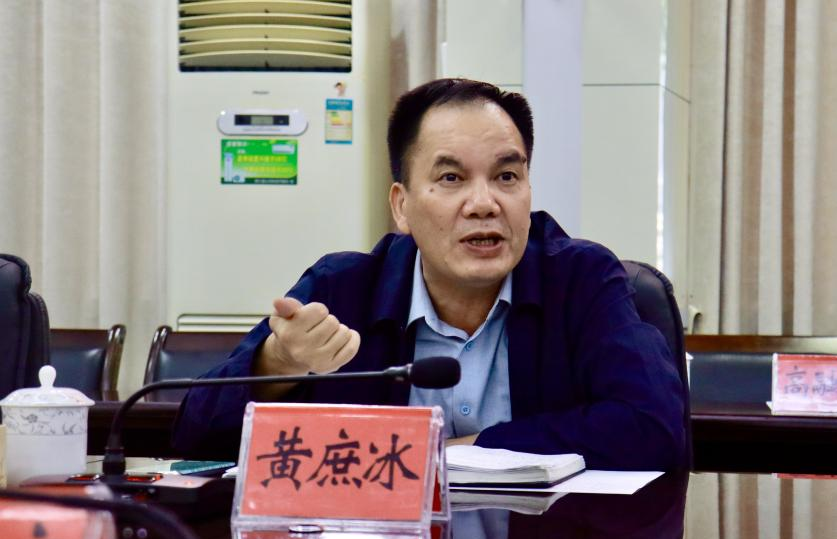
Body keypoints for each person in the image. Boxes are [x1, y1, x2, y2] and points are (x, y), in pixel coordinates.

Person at [172, 78, 686, 470]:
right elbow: (192, 436)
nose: (484, 203)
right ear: (402, 206)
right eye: (451, 177)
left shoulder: (581, 280)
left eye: (507, 176)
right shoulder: (342, 289)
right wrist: (278, 363)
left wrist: (460, 450)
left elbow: (657, 428)